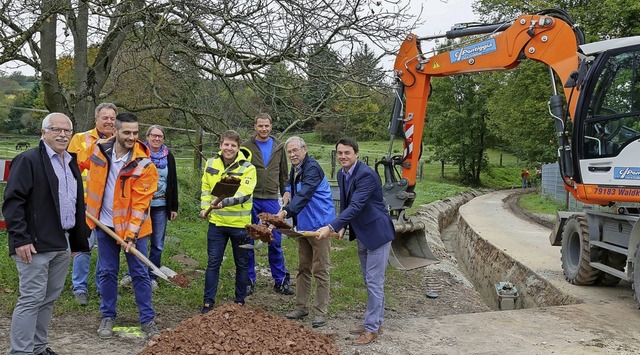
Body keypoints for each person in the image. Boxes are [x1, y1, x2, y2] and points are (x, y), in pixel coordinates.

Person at [3, 113, 90, 355]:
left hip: (61, 242)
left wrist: (75, 240)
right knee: (31, 300)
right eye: (56, 129)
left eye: (67, 131)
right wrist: (20, 238)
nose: (62, 134)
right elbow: (13, 202)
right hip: (34, 245)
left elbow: (74, 203)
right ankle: (21, 352)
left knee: (48, 300)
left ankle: (38, 348)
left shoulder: (70, 162)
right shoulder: (28, 160)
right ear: (44, 133)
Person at [77, 112, 160, 340]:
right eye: (127, 132)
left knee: (140, 274)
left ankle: (147, 320)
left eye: (135, 132)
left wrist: (131, 235)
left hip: (134, 230)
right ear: (115, 131)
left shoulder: (144, 164)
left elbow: (141, 206)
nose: (132, 137)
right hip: (103, 224)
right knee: (107, 272)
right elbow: (75, 162)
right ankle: (107, 316)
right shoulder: (98, 149)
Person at [317, 137, 394, 346]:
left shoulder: (366, 175)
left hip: (377, 233)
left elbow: (356, 205)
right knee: (371, 281)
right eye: (340, 153)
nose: (343, 156)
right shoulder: (343, 173)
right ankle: (375, 322)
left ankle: (371, 330)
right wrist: (342, 225)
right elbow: (346, 203)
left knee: (374, 281)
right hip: (363, 233)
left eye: (347, 153)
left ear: (356, 154)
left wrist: (332, 225)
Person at [275, 136, 335, 328]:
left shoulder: (312, 168)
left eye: (295, 150)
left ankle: (320, 311)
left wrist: (285, 212)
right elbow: (293, 187)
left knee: (320, 269)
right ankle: (301, 307)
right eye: (289, 152)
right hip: (304, 226)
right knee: (303, 268)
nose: (292, 154)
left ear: (304, 149)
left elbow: (305, 193)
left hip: (320, 226)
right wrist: (286, 191)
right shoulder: (296, 169)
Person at [199, 130, 257, 313]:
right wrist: (204, 207)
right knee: (213, 263)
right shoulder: (210, 163)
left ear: (238, 148)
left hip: (240, 226)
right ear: (220, 145)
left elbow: (244, 193)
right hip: (216, 224)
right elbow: (206, 189)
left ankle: (240, 301)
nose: (229, 148)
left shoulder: (248, 168)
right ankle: (208, 303)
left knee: (242, 264)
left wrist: (225, 202)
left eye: (233, 145)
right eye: (226, 144)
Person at [67, 102, 117, 305]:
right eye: (105, 118)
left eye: (113, 118)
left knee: (106, 250)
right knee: (84, 247)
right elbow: (70, 169)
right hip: (85, 205)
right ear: (96, 119)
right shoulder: (80, 139)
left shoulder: (120, 142)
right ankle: (80, 288)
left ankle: (102, 287)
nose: (109, 121)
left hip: (109, 208)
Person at [120, 125, 178, 291]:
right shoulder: (139, 154)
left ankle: (152, 274)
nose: (156, 139)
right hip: (141, 207)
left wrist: (173, 206)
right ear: (147, 137)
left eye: (160, 136)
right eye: (153, 136)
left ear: (163, 139)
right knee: (136, 241)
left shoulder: (169, 157)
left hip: (160, 206)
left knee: (157, 244)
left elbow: (172, 183)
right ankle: (133, 273)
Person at [241, 113, 293, 295]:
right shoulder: (246, 147)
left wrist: (286, 190)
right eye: (260, 126)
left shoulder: (279, 146)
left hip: (271, 198)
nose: (263, 129)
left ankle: (280, 281)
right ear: (255, 127)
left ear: (271, 127)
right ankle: (248, 280)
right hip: (251, 199)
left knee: (275, 240)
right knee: (249, 239)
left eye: (266, 126)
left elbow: (284, 173)